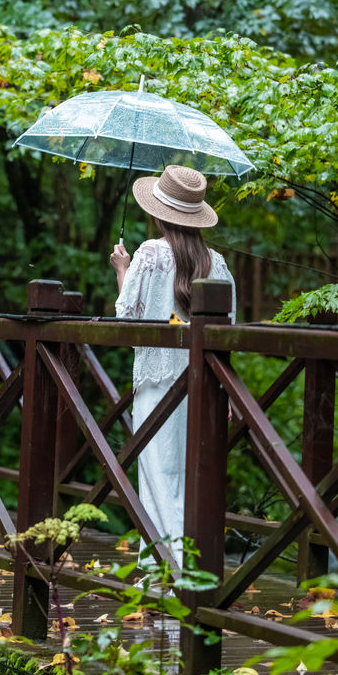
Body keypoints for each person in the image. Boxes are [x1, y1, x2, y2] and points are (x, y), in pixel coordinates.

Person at [109, 164, 236, 571]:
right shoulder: (216, 262)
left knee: (158, 477)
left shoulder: (149, 253)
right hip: (204, 385)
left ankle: (172, 574)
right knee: (190, 478)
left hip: (156, 383)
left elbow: (129, 322)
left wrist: (122, 272)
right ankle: (181, 571)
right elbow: (228, 329)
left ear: (159, 212)